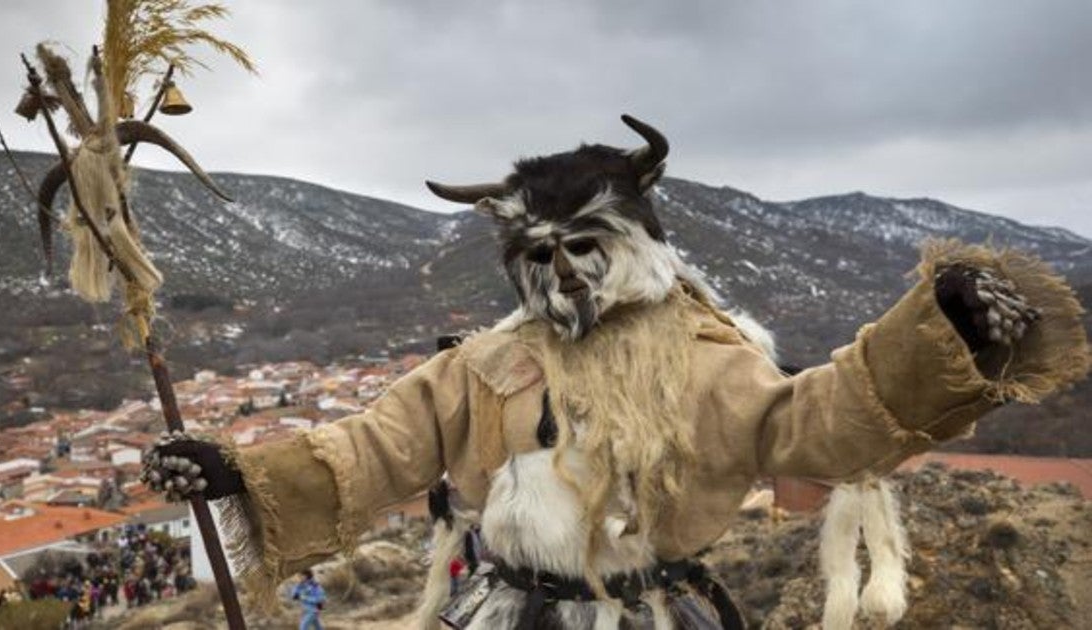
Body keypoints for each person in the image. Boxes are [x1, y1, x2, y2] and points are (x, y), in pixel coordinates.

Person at [145, 115, 1089, 628]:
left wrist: (941, 338)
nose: (564, 274)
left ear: (635, 241)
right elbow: (379, 444)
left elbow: (816, 422)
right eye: (540, 253)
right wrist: (238, 471)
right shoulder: (489, 361)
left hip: (651, 615)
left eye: (585, 244)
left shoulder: (708, 357)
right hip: (503, 611)